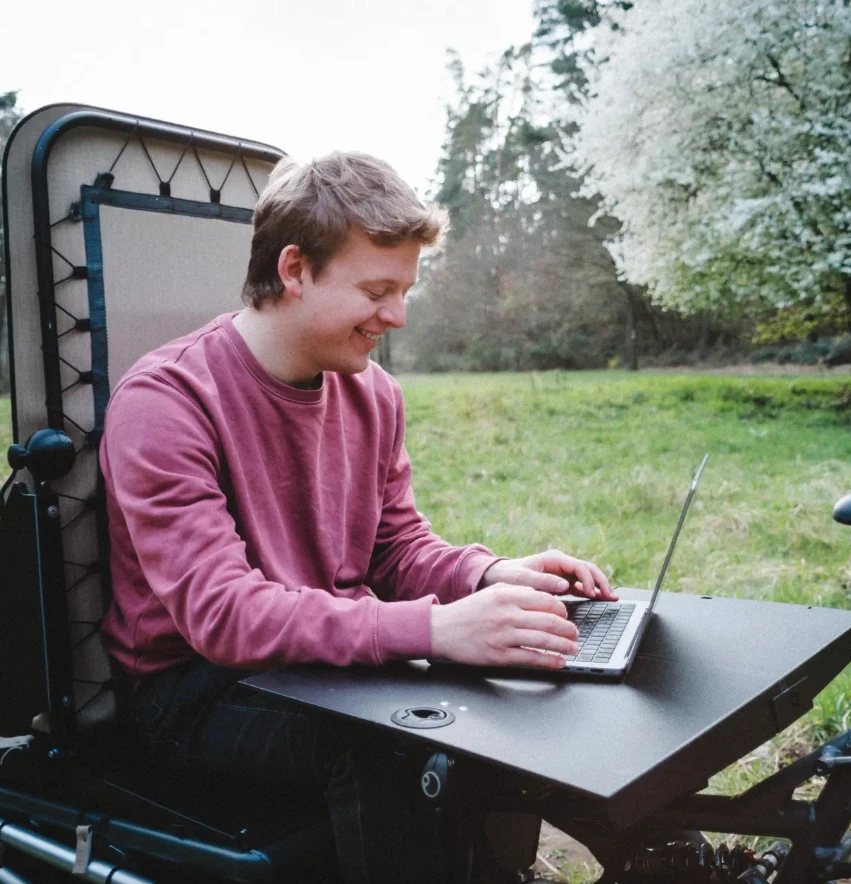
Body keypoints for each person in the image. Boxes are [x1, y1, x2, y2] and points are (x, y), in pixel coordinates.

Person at [99, 151, 615, 882]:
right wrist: (436, 630)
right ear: (294, 270)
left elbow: (394, 548)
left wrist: (490, 575)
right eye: (376, 291)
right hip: (194, 689)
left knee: (510, 682)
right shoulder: (166, 401)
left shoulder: (373, 393)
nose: (396, 316)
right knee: (387, 739)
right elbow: (223, 616)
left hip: (321, 659)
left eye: (404, 291)